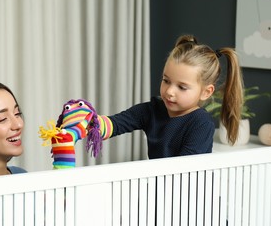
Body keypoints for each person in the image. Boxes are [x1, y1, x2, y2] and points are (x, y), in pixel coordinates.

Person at [103, 34, 244, 159]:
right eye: (166, 80)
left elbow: (184, 173)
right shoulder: (152, 110)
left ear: (205, 92)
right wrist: (89, 122)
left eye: (182, 87)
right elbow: (114, 124)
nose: (169, 91)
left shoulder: (201, 124)